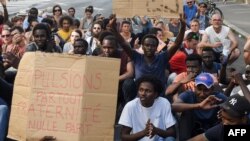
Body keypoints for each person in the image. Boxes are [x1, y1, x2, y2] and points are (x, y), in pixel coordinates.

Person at [119, 75, 176, 141]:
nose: (143, 93)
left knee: (170, 139)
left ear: (156, 94)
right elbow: (123, 136)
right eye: (141, 90)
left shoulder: (164, 103)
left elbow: (173, 133)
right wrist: (144, 133)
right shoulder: (130, 106)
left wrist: (156, 131)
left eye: (148, 91)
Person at [172, 72, 227, 140]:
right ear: (195, 88)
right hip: (192, 132)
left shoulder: (218, 97)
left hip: (211, 133)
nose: (202, 94)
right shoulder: (189, 95)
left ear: (212, 89)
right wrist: (199, 105)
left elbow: (232, 108)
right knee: (186, 112)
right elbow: (174, 106)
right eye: (199, 89)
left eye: (206, 90)